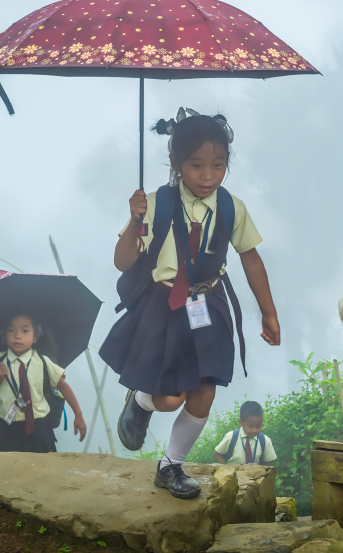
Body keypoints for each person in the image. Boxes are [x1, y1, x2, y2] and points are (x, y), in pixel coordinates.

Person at [100, 109, 281, 499]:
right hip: (162, 307)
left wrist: (269, 312)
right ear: (176, 163)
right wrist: (134, 221)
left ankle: (171, 466)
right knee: (169, 398)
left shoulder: (232, 208)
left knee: (203, 392)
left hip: (209, 305)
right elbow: (123, 262)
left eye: (218, 165)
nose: (207, 175)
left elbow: (251, 257)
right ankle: (143, 398)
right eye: (196, 165)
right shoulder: (154, 204)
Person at [0, 312, 87, 452]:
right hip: (6, 427)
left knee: (43, 467)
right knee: (0, 468)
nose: (17, 335)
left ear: (35, 337)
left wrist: (78, 415)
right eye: (11, 330)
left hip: (39, 428)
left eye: (25, 331)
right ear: (4, 336)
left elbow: (64, 387)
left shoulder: (43, 362)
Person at [213, 401, 277, 466]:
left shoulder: (265, 440)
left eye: (258, 426)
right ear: (240, 422)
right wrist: (225, 469)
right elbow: (217, 454)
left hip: (255, 475)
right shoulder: (231, 437)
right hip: (233, 474)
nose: (255, 430)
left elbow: (268, 462)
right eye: (251, 426)